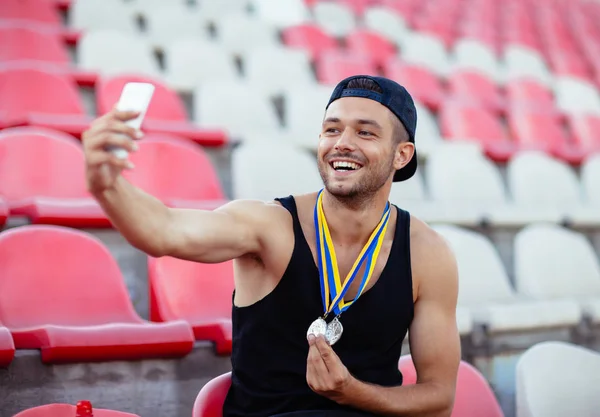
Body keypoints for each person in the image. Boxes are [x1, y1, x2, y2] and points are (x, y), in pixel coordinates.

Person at [82, 75, 461, 417]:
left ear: (402, 155)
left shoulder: (428, 253)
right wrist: (107, 185)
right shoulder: (269, 225)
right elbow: (164, 231)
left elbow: (438, 398)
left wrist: (353, 393)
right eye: (332, 129)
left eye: (365, 133)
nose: (342, 144)